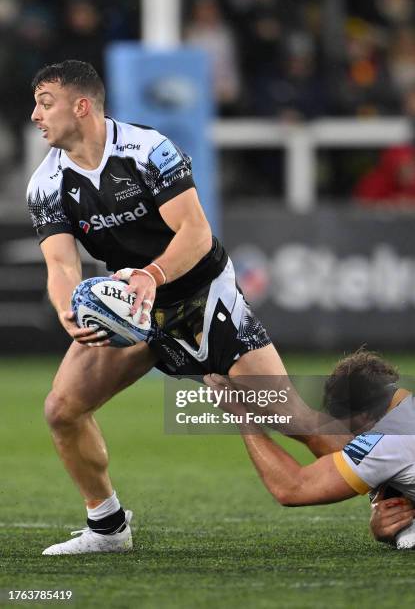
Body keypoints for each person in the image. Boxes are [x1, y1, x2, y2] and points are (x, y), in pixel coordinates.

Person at [27, 60, 347, 556]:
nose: (35, 115)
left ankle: (400, 498)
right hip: (135, 313)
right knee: (62, 409)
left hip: (201, 296)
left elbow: (196, 234)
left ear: (81, 105)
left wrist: (151, 277)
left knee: (293, 419)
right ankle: (108, 527)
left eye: (45, 102)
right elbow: (60, 265)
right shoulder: (46, 184)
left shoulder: (148, 149)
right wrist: (68, 310)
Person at [205, 349, 415, 549]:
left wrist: (241, 414)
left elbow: (292, 488)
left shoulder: (386, 441)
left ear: (364, 418)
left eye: (349, 430)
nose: (352, 440)